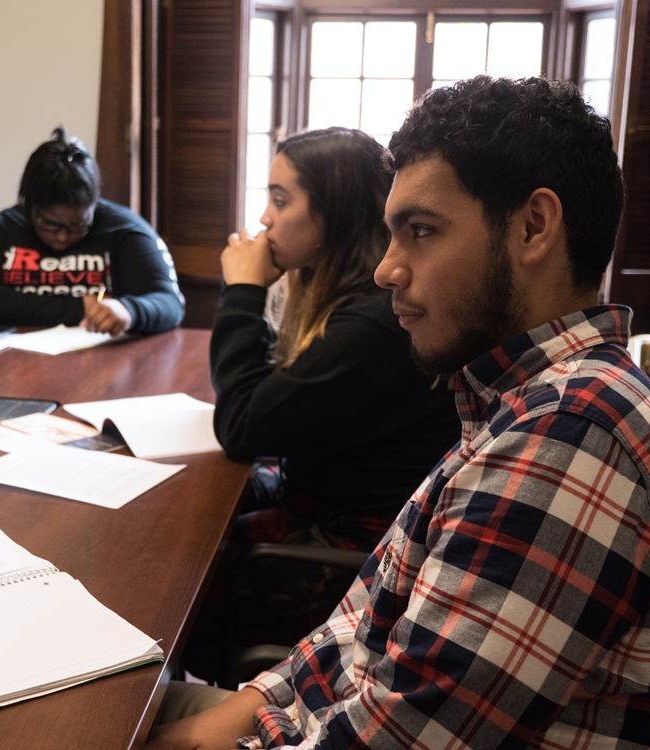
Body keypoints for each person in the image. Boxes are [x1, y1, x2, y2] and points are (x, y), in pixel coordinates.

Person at [147, 77, 650, 749]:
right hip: (316, 713)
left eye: (420, 232)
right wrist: (224, 719)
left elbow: (395, 740)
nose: (386, 270)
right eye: (390, 235)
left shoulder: (573, 437)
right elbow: (360, 627)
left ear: (533, 228)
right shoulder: (522, 400)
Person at [181, 128, 461, 683]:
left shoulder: (373, 327)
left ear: (333, 214)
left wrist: (240, 291)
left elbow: (242, 424)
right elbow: (273, 396)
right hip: (328, 510)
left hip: (355, 561)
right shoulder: (348, 303)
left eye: (281, 200)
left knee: (175, 571)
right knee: (188, 516)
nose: (263, 218)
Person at [0, 128, 184, 335]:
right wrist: (81, 308)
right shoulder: (0, 229)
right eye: (50, 224)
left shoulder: (125, 229)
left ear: (93, 206)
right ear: (30, 206)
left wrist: (130, 310)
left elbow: (171, 305)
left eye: (78, 225)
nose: (63, 237)